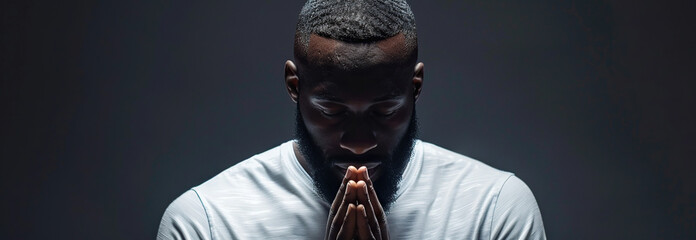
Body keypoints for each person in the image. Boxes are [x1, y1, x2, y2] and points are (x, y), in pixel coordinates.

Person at [157, 0, 546, 239]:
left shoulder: (493, 212)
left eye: (384, 110)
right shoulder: (205, 224)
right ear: (295, 86)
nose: (359, 143)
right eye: (332, 111)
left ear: (416, 86)